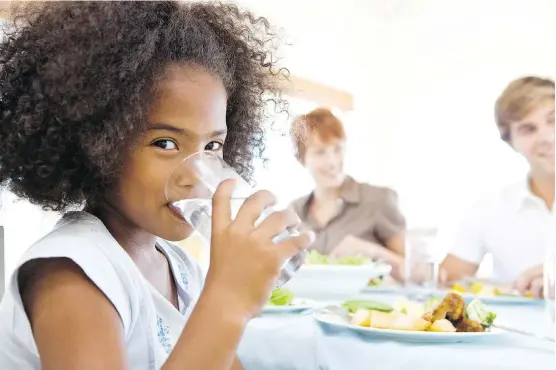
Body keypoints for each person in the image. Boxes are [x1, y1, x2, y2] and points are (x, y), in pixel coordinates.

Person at [0, 2, 313, 370]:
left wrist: (233, 291)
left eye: (212, 147)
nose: (196, 174)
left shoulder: (180, 268)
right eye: (165, 143)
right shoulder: (73, 273)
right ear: (97, 143)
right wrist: (228, 300)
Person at [440, 76, 555, 297]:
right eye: (528, 129)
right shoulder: (490, 208)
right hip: (519, 330)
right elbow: (447, 281)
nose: (548, 137)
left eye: (554, 120)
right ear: (511, 143)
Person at [289, 108, 406, 279]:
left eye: (337, 149)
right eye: (320, 152)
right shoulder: (295, 212)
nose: (333, 162)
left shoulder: (379, 200)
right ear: (302, 159)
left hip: (368, 306)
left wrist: (372, 251)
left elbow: (414, 273)